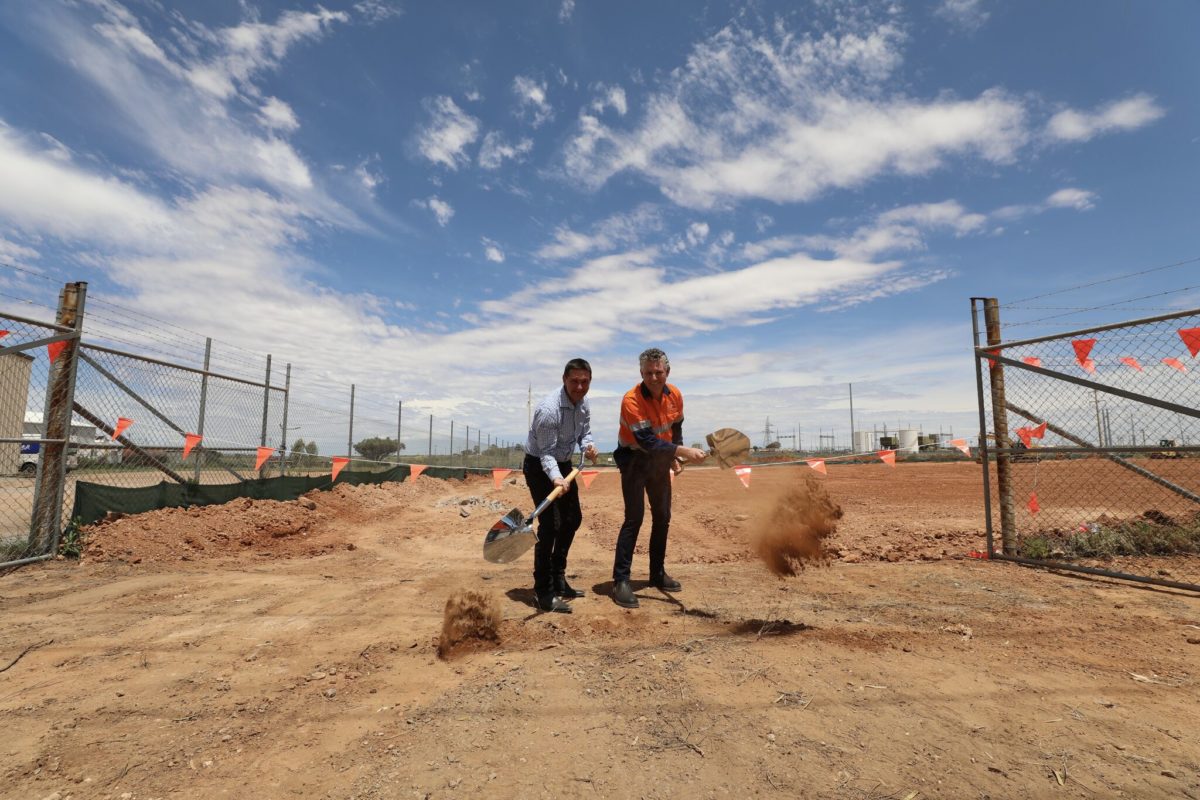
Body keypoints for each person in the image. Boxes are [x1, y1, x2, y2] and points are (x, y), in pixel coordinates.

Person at [610, 348, 707, 609]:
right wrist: (682, 452)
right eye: (649, 373)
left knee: (663, 516)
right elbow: (646, 440)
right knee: (634, 518)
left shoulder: (675, 394)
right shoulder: (631, 400)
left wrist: (675, 453)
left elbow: (675, 428)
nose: (654, 377)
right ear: (641, 373)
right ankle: (621, 581)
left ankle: (657, 573)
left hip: (659, 460)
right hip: (633, 459)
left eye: (659, 372)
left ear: (667, 372)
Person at [523, 358, 598, 614]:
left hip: (564, 464)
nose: (579, 387)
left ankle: (558, 576)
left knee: (573, 518)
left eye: (584, 381)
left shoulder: (583, 402)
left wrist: (588, 446)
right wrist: (556, 478)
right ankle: (542, 591)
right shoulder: (548, 410)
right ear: (564, 379)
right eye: (574, 381)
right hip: (538, 465)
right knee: (550, 525)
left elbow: (584, 432)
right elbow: (545, 453)